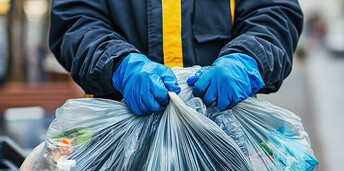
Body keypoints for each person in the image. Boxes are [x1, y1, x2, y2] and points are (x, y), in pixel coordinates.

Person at [49, 0, 303, 115]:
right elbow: (76, 20)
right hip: (122, 142)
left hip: (225, 136)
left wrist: (247, 59)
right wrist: (119, 64)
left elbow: (273, 13)